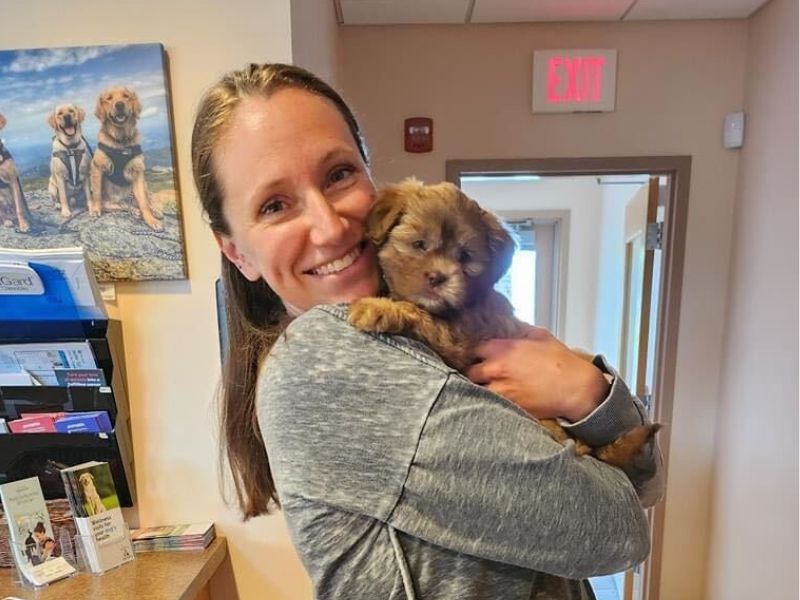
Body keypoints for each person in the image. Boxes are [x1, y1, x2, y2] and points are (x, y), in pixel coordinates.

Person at [192, 63, 664, 600]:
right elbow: (617, 530)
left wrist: (588, 391)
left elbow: (644, 482)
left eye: (339, 174)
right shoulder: (327, 361)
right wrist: (589, 402)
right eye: (274, 205)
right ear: (234, 250)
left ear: (374, 181)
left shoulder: (409, 336)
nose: (329, 226)